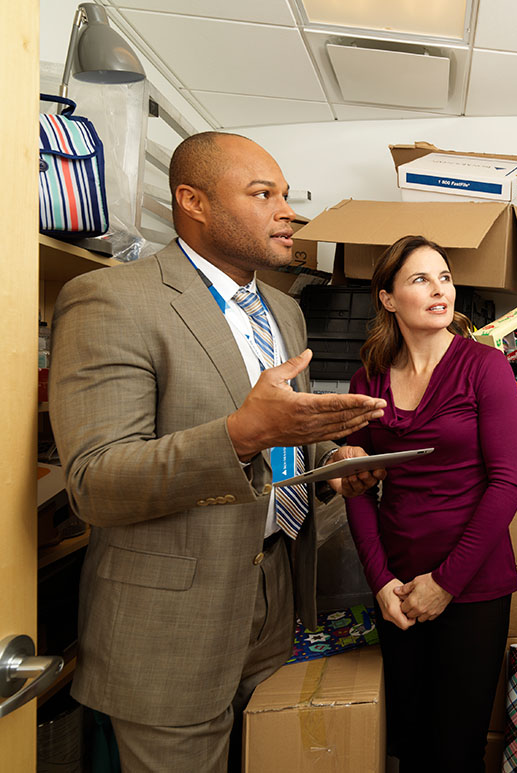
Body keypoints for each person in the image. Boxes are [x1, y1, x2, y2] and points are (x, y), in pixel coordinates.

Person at [49, 131, 387, 773]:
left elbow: (282, 447)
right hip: (170, 619)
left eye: (286, 195)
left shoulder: (284, 312)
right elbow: (96, 483)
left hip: (275, 592)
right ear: (192, 201)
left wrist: (330, 466)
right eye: (264, 194)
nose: (288, 210)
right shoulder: (113, 301)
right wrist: (242, 433)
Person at [344, 235, 517, 771]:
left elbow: (508, 483)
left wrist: (445, 583)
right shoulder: (368, 381)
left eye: (444, 276)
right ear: (387, 298)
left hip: (473, 588)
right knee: (412, 743)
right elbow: (359, 487)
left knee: (456, 750)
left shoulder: (484, 367)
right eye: (420, 279)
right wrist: (380, 582)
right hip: (398, 587)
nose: (439, 289)